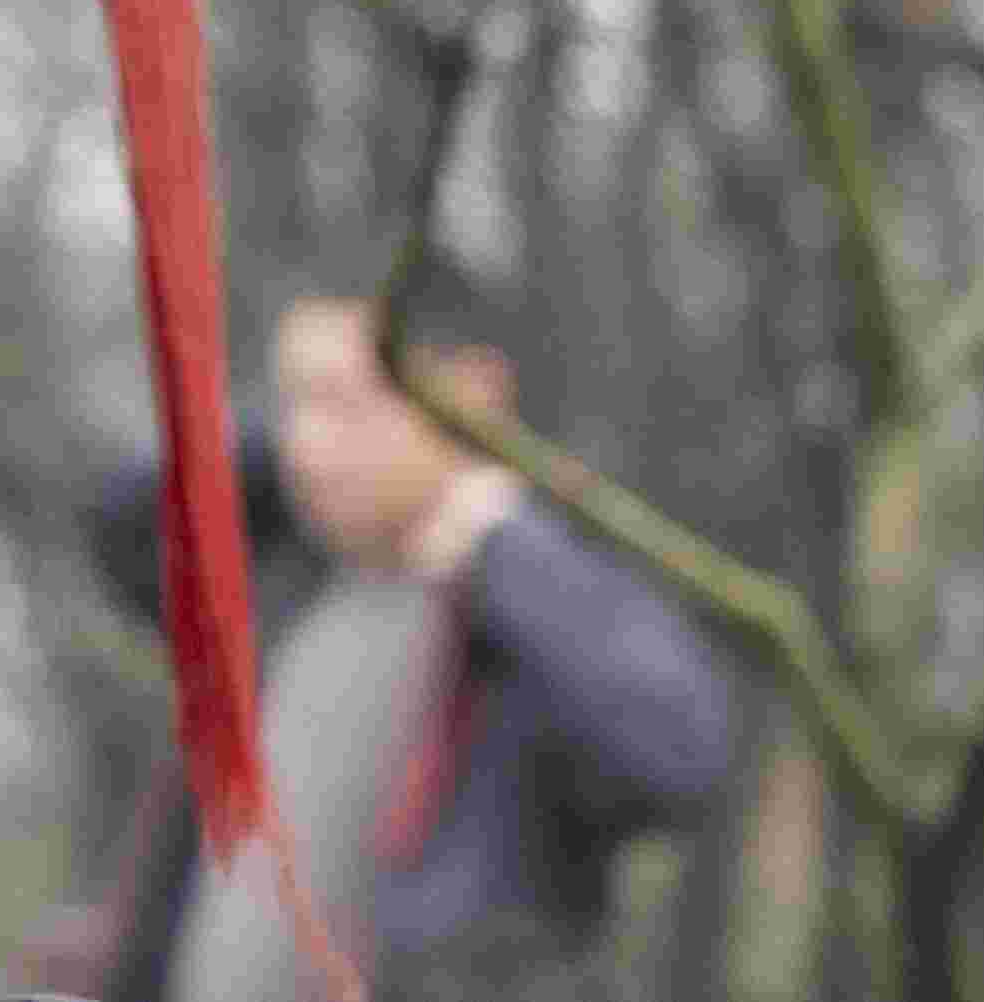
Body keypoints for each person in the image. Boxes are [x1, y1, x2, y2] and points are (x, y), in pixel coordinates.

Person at [60, 298, 737, 1002]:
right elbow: (127, 523)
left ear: (470, 395)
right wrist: (325, 418)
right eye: (295, 405)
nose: (308, 444)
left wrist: (491, 517)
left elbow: (679, 757)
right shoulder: (288, 594)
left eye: (345, 402)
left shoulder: (531, 612)